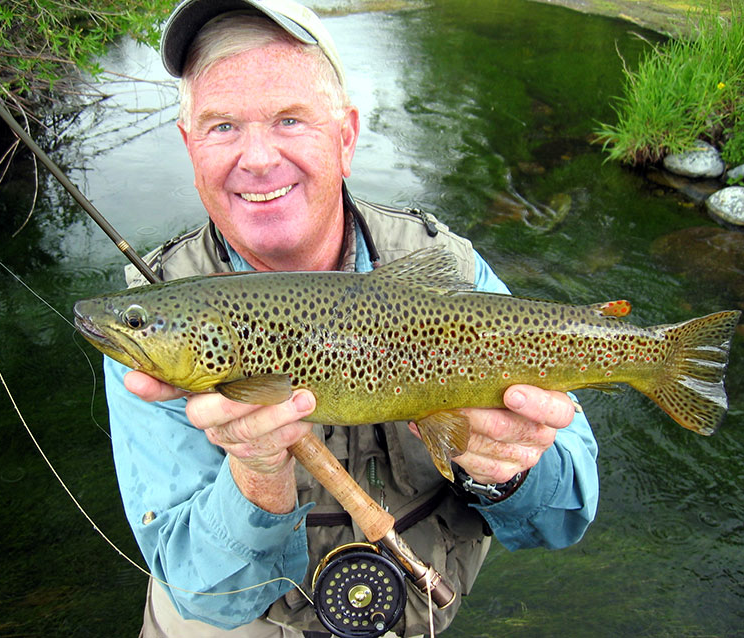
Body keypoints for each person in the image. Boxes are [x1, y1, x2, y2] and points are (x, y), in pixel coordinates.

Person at [103, 1, 599, 636]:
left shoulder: (442, 266)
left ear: (345, 136)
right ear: (188, 145)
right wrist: (256, 480)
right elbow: (206, 596)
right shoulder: (157, 318)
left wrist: (509, 472)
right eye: (222, 126)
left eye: (289, 119)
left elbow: (563, 519)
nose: (257, 158)